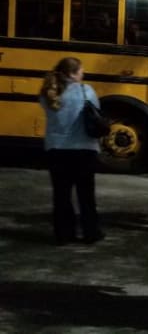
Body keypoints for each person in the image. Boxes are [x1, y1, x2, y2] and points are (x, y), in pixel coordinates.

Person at [39, 57, 104, 245]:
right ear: (73, 73)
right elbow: (96, 112)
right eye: (81, 70)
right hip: (84, 149)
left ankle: (63, 235)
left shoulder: (48, 93)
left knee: (61, 195)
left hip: (56, 149)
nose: (83, 73)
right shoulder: (86, 91)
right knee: (86, 195)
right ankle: (90, 232)